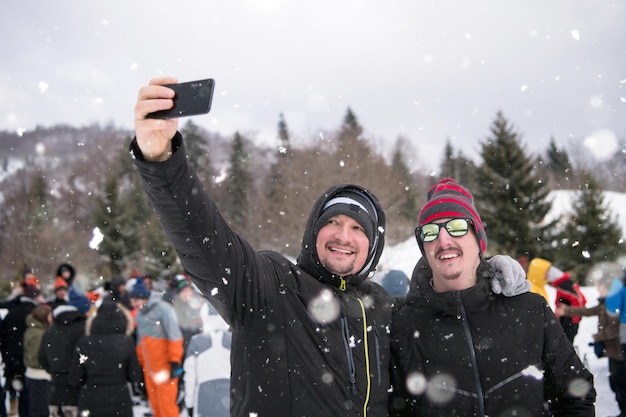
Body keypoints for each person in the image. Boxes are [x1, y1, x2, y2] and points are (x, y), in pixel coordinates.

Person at [130, 77, 529, 417]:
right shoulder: (269, 286)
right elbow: (204, 243)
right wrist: (163, 161)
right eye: (333, 222)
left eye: (358, 228)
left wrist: (485, 276)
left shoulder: (385, 309)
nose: (343, 236)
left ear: (372, 246)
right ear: (313, 231)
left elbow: (446, 316)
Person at [389, 178, 595, 416]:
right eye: (430, 231)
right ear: (423, 247)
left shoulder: (529, 309)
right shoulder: (402, 327)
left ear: (479, 240)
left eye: (457, 226)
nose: (443, 240)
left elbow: (576, 395)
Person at [558, 274, 625, 416]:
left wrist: (598, 336)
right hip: (615, 351)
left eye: (599, 287)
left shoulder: (613, 303)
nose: (597, 290)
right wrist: (567, 310)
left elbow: (614, 330)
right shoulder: (606, 303)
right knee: (616, 383)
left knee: (620, 383)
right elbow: (589, 311)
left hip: (619, 350)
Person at [69, 300, 142, 417]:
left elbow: (75, 378)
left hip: (91, 398)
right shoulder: (126, 342)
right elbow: (135, 375)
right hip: (119, 399)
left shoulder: (84, 343)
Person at [129, 278, 184, 417]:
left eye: (135, 301)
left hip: (165, 367)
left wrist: (175, 361)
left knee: (167, 407)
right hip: (149, 369)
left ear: (143, 297)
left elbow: (175, 336)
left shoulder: (163, 309)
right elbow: (140, 343)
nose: (134, 305)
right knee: (156, 407)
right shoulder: (140, 315)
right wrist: (141, 364)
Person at [39, 285, 92, 417]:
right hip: (80, 389)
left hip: (56, 389)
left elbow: (42, 358)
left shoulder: (51, 330)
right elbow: (89, 357)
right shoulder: (85, 329)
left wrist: (56, 371)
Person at [183, 303, 231, 417]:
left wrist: (189, 403)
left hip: (204, 397)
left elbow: (190, 376)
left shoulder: (196, 341)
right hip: (229, 397)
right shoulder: (233, 341)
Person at [0, 282, 40, 417]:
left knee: (9, 389)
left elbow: (3, 338)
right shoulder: (35, 314)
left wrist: (6, 357)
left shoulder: (12, 313)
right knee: (27, 396)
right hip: (29, 361)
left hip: (12, 360)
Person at [23, 303, 52, 417]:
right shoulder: (39, 334)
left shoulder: (34, 330)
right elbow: (35, 358)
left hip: (34, 375)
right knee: (40, 410)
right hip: (39, 376)